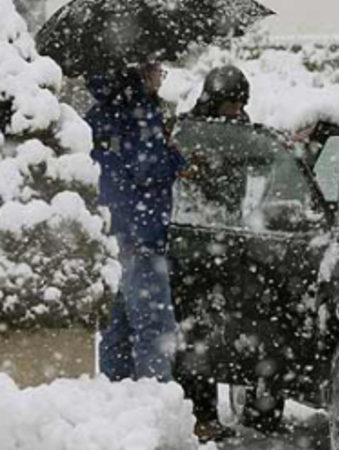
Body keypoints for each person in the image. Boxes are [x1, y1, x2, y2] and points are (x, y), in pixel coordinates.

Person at [85, 61, 187, 383]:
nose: (161, 79)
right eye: (158, 71)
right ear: (142, 72)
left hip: (113, 228)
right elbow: (148, 169)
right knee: (154, 326)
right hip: (142, 230)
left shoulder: (100, 111)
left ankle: (116, 393)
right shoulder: (141, 112)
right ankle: (154, 398)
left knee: (118, 326)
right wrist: (175, 156)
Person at [178, 64, 251, 443]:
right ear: (213, 100)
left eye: (241, 104)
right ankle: (198, 415)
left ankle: (212, 412)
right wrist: (198, 169)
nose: (236, 111)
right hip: (189, 249)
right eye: (230, 104)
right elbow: (183, 180)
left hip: (229, 244)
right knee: (194, 337)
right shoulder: (188, 131)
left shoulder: (243, 130)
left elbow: (254, 169)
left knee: (219, 337)